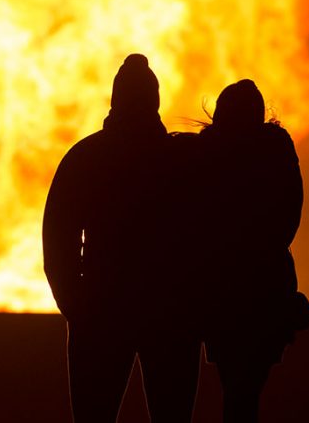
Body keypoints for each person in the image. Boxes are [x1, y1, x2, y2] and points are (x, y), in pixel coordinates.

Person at [43, 54, 200, 423]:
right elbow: (206, 233)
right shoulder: (184, 159)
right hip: (168, 311)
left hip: (103, 309)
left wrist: (76, 304)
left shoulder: (85, 157)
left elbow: (58, 240)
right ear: (155, 100)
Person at [184, 79, 309, 423]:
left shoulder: (204, 151)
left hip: (219, 289)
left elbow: (191, 218)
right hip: (267, 288)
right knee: (247, 389)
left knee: (235, 386)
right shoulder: (277, 149)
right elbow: (290, 213)